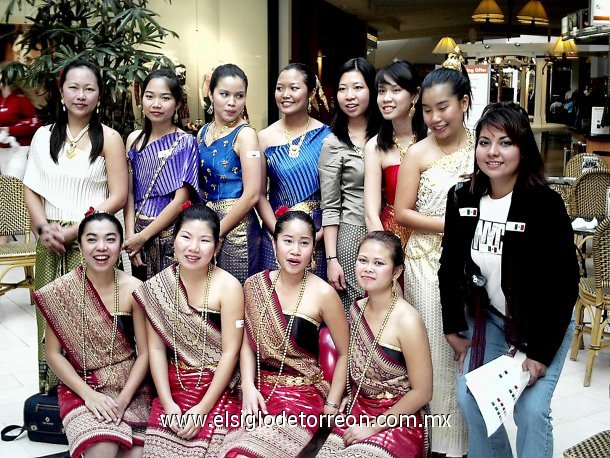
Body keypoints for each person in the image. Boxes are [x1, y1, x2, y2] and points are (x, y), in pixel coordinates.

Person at [439, 102, 579, 458]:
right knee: (471, 399)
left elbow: (564, 286)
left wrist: (540, 354)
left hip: (543, 324)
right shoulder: (462, 198)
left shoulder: (544, 204)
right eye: (485, 142)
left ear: (522, 149)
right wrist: (453, 326)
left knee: (531, 411)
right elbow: (450, 266)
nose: (493, 152)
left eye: (505, 142)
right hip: (491, 320)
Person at [23, 58, 128, 392]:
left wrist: (77, 231)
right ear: (61, 90)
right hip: (50, 239)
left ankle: (94, 390)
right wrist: (43, 229)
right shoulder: (43, 136)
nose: (81, 95)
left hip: (93, 238)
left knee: (90, 316)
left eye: (89, 88)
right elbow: (31, 188)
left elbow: (119, 195)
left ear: (99, 94)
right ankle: (53, 390)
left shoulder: (110, 138)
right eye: (74, 87)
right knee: (50, 315)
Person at [393, 53, 474, 456]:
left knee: (470, 353)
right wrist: (454, 226)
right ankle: (434, 444)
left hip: (475, 265)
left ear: (463, 103)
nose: (434, 118)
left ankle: (467, 441)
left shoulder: (484, 149)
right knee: (436, 357)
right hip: (427, 266)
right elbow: (403, 212)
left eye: (442, 107)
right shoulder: (418, 154)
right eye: (426, 110)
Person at [220, 210, 349, 458]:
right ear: (274, 242)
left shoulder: (323, 294)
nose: (295, 251)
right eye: (288, 241)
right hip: (257, 393)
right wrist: (247, 385)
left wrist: (331, 405)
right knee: (228, 448)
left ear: (314, 248)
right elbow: (247, 344)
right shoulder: (254, 285)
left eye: (304, 243)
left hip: (303, 394)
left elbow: (344, 352)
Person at [34, 211, 152, 458]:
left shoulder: (134, 289)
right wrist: (88, 395)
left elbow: (145, 354)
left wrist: (123, 400)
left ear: (121, 245)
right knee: (103, 447)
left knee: (137, 454)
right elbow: (53, 354)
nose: (101, 247)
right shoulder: (61, 291)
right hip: (82, 385)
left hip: (129, 387)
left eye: (110, 239)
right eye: (92, 239)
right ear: (80, 243)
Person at [133, 203, 243, 457]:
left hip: (219, 388)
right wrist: (168, 404)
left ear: (216, 247)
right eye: (186, 237)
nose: (194, 248)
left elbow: (230, 353)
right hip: (174, 387)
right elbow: (156, 349)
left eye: (204, 240)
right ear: (174, 240)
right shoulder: (159, 286)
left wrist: (203, 409)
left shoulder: (229, 287)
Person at [317, 231, 432, 458]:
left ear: (396, 271)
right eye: (363, 260)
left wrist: (373, 427)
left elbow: (423, 392)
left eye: (379, 263)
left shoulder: (407, 320)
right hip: (359, 410)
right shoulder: (356, 309)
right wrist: (355, 392)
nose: (368, 268)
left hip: (398, 420)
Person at [257, 63, 332, 280]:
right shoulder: (263, 137)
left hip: (316, 234)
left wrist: (318, 235)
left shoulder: (327, 137)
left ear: (311, 92)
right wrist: (278, 232)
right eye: (280, 88)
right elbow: (260, 194)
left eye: (294, 88)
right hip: (275, 233)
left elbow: (334, 197)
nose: (285, 95)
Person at [124, 68, 200, 281]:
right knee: (140, 300)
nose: (156, 104)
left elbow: (180, 201)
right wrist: (132, 236)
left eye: (165, 98)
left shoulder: (185, 142)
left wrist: (143, 236)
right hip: (138, 235)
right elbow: (128, 194)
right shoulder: (134, 140)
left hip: (169, 236)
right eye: (149, 96)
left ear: (177, 104)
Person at [318, 57, 381, 310]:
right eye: (343, 89)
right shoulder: (333, 143)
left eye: (357, 87)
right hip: (352, 233)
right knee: (356, 309)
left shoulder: (386, 135)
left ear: (372, 90)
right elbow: (330, 205)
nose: (349, 96)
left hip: (392, 229)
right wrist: (332, 258)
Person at [197, 63, 263, 284]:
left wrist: (217, 232)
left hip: (238, 229)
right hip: (208, 224)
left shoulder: (245, 135)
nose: (232, 102)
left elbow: (253, 194)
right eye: (224, 94)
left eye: (239, 95)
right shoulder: (202, 133)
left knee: (238, 295)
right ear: (211, 94)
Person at [0, 62, 40, 181]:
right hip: (2, 150)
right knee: (7, 190)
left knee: (11, 187)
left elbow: (35, 123)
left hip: (20, 150)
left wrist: (9, 130)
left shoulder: (21, 99)